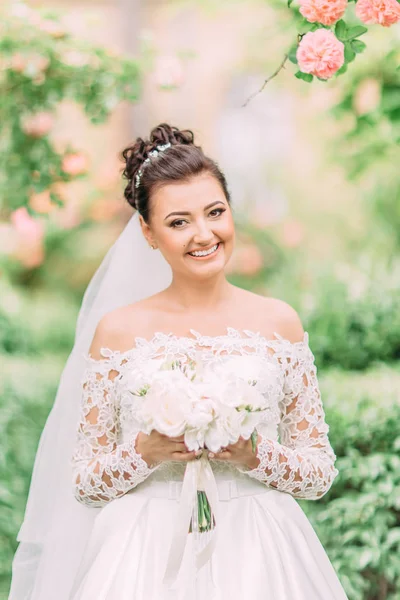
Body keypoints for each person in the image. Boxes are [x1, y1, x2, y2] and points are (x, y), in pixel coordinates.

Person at [8, 123, 349, 600]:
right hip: (143, 552)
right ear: (148, 232)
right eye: (179, 221)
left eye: (215, 212)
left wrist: (255, 455)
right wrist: (146, 452)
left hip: (261, 549)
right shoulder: (118, 331)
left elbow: (317, 473)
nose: (203, 234)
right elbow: (85, 481)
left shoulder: (279, 323)